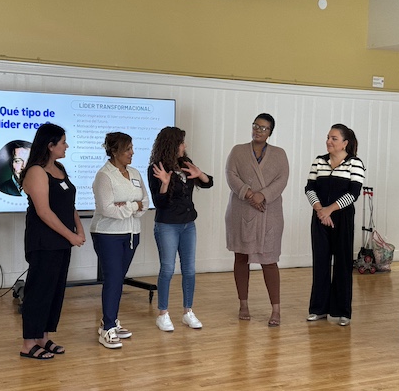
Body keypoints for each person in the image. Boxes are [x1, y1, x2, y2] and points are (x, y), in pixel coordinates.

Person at [19, 123, 85, 360]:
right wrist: (71, 235)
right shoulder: (36, 171)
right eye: (63, 142)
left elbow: (68, 204)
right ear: (50, 145)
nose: (67, 146)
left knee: (55, 291)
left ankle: (42, 337)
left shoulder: (59, 168)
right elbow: (44, 212)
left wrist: (79, 227)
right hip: (44, 241)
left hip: (62, 241)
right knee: (38, 291)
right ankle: (28, 343)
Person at [225, 113, 289, 327]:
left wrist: (263, 195)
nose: (258, 131)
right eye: (255, 126)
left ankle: (276, 309)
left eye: (263, 128)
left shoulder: (279, 154)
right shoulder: (238, 151)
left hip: (268, 213)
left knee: (269, 260)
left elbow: (282, 179)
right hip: (242, 211)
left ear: (270, 132)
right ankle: (243, 303)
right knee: (241, 257)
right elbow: (231, 175)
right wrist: (249, 194)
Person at [148, 126, 213, 332]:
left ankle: (188, 312)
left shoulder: (186, 164)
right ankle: (163, 314)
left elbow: (208, 183)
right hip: (167, 225)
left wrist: (200, 174)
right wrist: (165, 183)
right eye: (182, 142)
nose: (185, 146)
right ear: (172, 144)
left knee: (189, 270)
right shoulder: (156, 168)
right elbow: (159, 203)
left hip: (188, 224)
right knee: (167, 269)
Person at [91, 132, 149, 349]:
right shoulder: (104, 176)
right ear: (114, 151)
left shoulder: (134, 172)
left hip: (132, 233)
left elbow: (145, 200)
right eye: (127, 149)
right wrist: (134, 206)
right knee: (113, 279)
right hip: (108, 235)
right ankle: (107, 328)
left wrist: (127, 206)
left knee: (118, 279)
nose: (132, 153)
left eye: (132, 148)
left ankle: (111, 320)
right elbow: (106, 210)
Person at [305, 123, 365, 326]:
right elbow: (309, 188)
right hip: (320, 216)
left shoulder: (355, 163)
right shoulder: (318, 161)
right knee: (320, 263)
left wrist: (329, 210)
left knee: (343, 264)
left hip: (342, 219)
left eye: (334, 138)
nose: (328, 141)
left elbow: (353, 193)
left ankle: (342, 312)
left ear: (345, 143)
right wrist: (320, 210)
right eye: (328, 137)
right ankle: (318, 309)